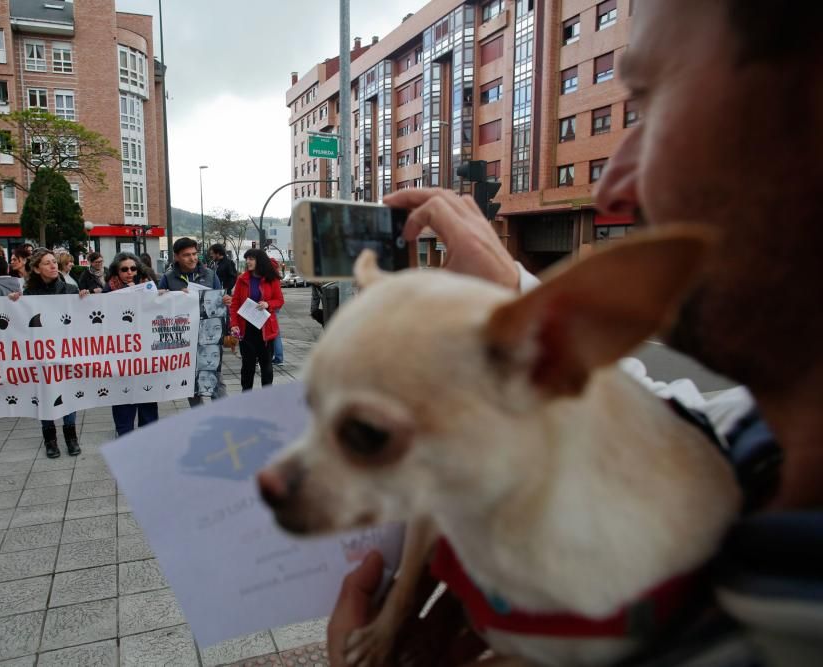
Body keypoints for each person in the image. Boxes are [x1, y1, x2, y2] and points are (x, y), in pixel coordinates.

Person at [327, 1, 823, 665]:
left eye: (644, 102)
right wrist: (510, 311)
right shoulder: (749, 449)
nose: (614, 185)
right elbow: (662, 421)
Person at [22, 249, 88, 457]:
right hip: (41, 353)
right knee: (45, 393)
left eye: (54, 262)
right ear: (35, 268)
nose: (53, 266)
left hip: (65, 351)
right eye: (47, 263)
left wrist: (84, 300)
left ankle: (71, 437)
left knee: (67, 392)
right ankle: (49, 439)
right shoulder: (29, 294)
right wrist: (12, 302)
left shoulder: (69, 290)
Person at [159, 237, 231, 405]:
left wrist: (225, 301)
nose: (192, 258)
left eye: (194, 254)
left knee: (215, 377)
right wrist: (164, 297)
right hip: (184, 338)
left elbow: (219, 301)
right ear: (176, 256)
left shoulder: (210, 275)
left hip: (209, 335)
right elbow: (159, 307)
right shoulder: (168, 278)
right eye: (186, 255)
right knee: (190, 382)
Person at [104, 252, 160, 435]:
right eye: (124, 269)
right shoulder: (108, 290)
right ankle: (124, 435)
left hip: (145, 353)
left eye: (133, 268)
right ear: (116, 271)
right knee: (123, 398)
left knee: (147, 397)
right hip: (121, 354)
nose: (129, 272)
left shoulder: (149, 286)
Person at [229, 248, 283, 391]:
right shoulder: (242, 279)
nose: (248, 262)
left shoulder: (272, 278)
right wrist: (234, 324)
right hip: (246, 329)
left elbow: (279, 300)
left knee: (266, 366)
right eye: (247, 259)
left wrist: (268, 304)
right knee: (247, 366)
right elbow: (234, 304)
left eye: (251, 259)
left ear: (260, 261)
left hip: (265, 329)